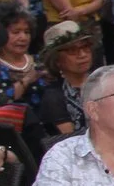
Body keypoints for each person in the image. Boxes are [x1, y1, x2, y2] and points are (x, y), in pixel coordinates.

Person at [23, 20, 99, 154]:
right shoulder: (54, 97)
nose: (82, 55)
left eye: (85, 47)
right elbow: (73, 142)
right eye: (72, 50)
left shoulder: (106, 81)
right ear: (57, 60)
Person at [0, 5, 44, 122]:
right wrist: (26, 80)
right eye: (16, 32)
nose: (23, 37)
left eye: (27, 32)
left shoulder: (40, 61)